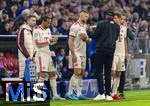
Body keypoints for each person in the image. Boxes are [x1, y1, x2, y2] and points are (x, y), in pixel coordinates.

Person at [33, 16, 65, 100]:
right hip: (40, 54)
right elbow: (38, 44)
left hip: (48, 53)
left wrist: (54, 41)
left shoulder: (48, 30)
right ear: (43, 21)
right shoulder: (36, 30)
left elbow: (49, 43)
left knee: (52, 74)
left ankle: (55, 95)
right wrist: (49, 41)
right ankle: (37, 96)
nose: (49, 24)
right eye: (47, 22)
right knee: (42, 74)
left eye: (50, 23)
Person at [93, 9, 120, 101]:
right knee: (108, 73)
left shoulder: (101, 24)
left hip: (101, 50)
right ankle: (108, 94)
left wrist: (89, 32)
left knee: (99, 72)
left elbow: (95, 36)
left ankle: (101, 93)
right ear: (113, 16)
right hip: (111, 51)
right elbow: (116, 38)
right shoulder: (117, 26)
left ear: (106, 15)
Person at [66, 10, 92, 100]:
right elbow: (70, 40)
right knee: (76, 72)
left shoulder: (84, 26)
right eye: (85, 16)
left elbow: (84, 39)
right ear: (81, 16)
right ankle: (69, 93)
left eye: (87, 17)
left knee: (81, 73)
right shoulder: (74, 26)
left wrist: (88, 40)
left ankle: (79, 94)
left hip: (83, 53)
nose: (87, 18)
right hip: (76, 52)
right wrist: (72, 54)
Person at [111, 13, 128, 100]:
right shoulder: (111, 27)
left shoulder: (124, 28)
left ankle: (114, 93)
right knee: (112, 73)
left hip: (121, 54)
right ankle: (108, 93)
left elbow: (124, 41)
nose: (116, 20)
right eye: (115, 18)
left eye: (118, 18)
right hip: (114, 53)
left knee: (118, 74)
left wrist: (126, 53)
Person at [17, 15, 36, 79]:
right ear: (28, 21)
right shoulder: (23, 29)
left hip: (33, 60)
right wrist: (27, 56)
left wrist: (34, 56)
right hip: (25, 59)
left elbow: (35, 45)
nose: (34, 22)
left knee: (33, 80)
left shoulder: (35, 31)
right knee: (25, 79)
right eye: (33, 20)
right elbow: (19, 44)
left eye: (35, 21)